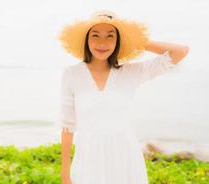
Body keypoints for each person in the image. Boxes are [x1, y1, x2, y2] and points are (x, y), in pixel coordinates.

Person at [56, 10, 189, 184]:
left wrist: (137, 41)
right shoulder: (71, 74)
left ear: (118, 40)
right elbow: (67, 126)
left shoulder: (132, 72)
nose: (102, 43)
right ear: (86, 40)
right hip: (89, 155)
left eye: (110, 36)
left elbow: (181, 51)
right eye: (95, 35)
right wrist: (65, 173)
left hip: (124, 154)